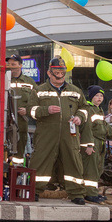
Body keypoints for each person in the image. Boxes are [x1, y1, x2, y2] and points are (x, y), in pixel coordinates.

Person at [28, 57, 90, 204]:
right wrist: (46, 110)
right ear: (49, 73)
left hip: (70, 134)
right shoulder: (39, 90)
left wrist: (80, 117)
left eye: (62, 72)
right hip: (46, 134)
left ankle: (77, 194)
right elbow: (31, 110)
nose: (60, 76)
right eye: (56, 72)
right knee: (40, 161)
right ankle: (34, 191)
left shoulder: (76, 91)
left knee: (73, 161)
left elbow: (85, 108)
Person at [80, 85, 112, 204]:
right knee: (90, 169)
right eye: (97, 95)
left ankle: (93, 192)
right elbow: (87, 129)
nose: (99, 98)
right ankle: (90, 194)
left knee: (98, 168)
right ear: (91, 96)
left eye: (101, 96)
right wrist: (89, 145)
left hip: (100, 143)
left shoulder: (99, 110)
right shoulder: (88, 109)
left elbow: (104, 126)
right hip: (93, 143)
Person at [5, 54, 36, 165]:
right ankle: (5, 170)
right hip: (5, 121)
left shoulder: (29, 82)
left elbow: (36, 100)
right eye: (9, 64)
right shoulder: (4, 79)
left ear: (20, 65)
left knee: (19, 151)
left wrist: (27, 110)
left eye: (13, 64)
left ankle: (17, 170)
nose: (10, 66)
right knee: (5, 148)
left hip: (21, 122)